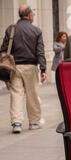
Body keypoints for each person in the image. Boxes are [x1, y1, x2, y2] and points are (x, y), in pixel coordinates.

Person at [0, 4, 46, 134]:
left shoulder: (11, 29)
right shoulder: (36, 31)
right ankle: (34, 122)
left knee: (16, 94)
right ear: (30, 15)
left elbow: (3, 50)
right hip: (31, 67)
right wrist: (43, 69)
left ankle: (17, 123)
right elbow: (40, 52)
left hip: (14, 67)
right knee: (32, 95)